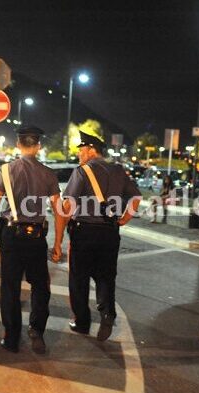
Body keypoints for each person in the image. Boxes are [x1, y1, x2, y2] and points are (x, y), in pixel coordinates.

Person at [0, 126, 64, 354]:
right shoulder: (48, 174)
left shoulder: (6, 171)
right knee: (41, 286)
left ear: (18, 145)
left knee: (10, 287)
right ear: (38, 147)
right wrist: (58, 244)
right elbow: (59, 211)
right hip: (36, 238)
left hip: (11, 236)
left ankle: (11, 337)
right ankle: (37, 331)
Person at [58, 130, 141, 341]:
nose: (79, 155)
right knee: (106, 276)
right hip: (109, 233)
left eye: (81, 150)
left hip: (84, 232)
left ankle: (82, 322)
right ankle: (106, 313)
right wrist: (123, 219)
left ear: (91, 150)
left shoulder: (82, 171)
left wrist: (58, 239)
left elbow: (67, 206)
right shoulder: (119, 170)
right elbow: (136, 198)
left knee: (79, 278)